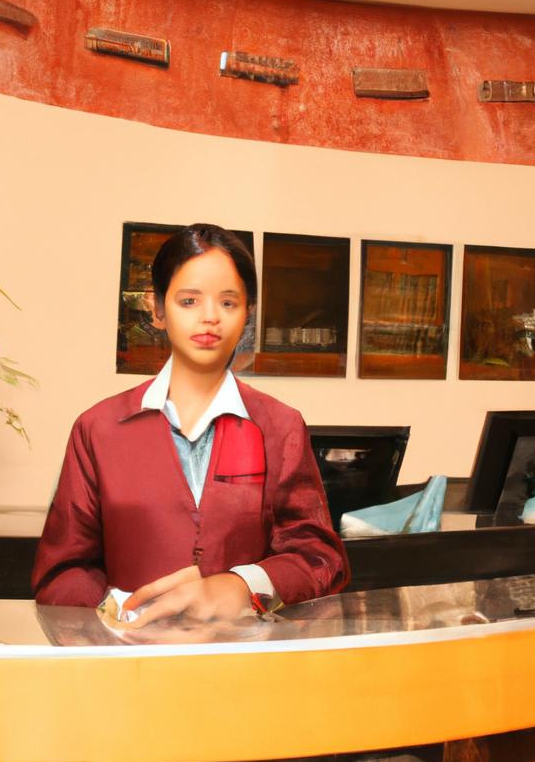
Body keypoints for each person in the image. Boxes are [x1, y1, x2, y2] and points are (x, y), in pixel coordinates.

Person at [32, 223, 350, 623]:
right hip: (128, 664)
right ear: (158, 309)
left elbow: (319, 558)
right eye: (189, 301)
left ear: (248, 311)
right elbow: (61, 570)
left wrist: (241, 585)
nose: (210, 318)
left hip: (244, 665)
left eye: (229, 303)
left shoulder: (279, 426)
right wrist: (120, 614)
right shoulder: (98, 428)